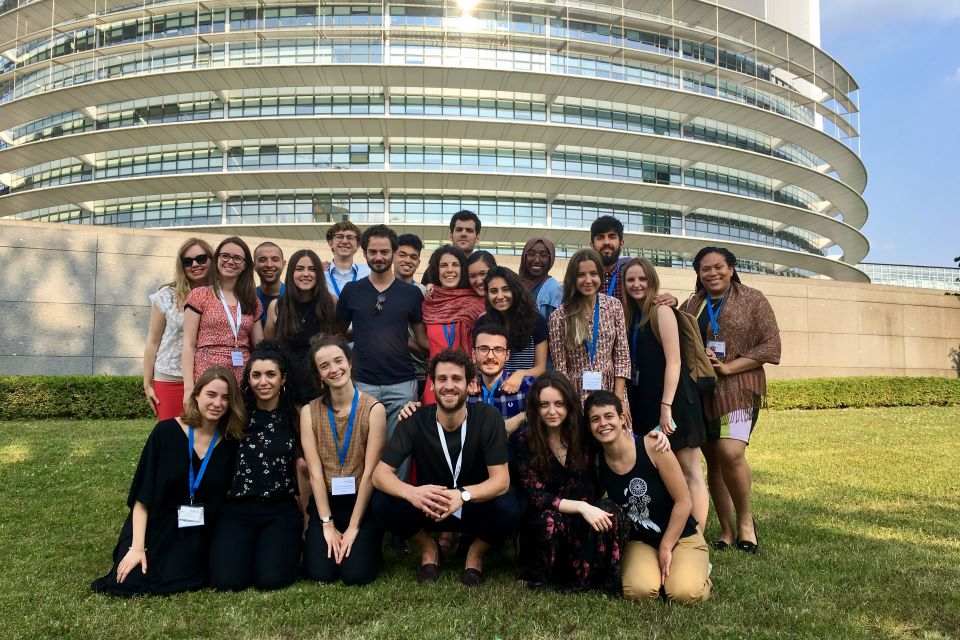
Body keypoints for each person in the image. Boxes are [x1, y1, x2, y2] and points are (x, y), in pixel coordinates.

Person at [372, 349, 521, 586]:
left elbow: (501, 480)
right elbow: (380, 475)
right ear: (431, 385)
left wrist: (462, 495)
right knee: (381, 501)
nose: (448, 386)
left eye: (456, 379)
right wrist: (413, 493)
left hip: (473, 507)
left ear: (469, 384)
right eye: (442, 379)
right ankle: (429, 548)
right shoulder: (415, 419)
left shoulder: (488, 417)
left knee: (511, 506)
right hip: (429, 506)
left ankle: (475, 554)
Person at [91, 367, 243, 596]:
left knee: (206, 577)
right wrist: (137, 547)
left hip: (199, 531)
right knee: (128, 582)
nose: (218, 403)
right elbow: (142, 497)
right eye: (211, 395)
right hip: (157, 524)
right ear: (197, 395)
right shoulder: (166, 432)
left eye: (225, 398)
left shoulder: (231, 443)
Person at [679, 247, 781, 554]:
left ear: (732, 267)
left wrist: (731, 366)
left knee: (730, 452)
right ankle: (725, 529)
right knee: (713, 460)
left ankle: (746, 523)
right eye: (705, 269)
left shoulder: (753, 299)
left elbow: (771, 345)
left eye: (718, 267)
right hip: (704, 390)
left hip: (739, 386)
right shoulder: (693, 304)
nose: (712, 273)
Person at [588, 391, 711, 604]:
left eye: (609, 416)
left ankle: (700, 571)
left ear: (622, 418)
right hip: (641, 540)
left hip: (681, 535)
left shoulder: (654, 447)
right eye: (595, 419)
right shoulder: (597, 462)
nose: (603, 424)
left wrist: (665, 547)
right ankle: (663, 574)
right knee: (639, 592)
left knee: (684, 593)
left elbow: (684, 502)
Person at [512, 373, 625, 592]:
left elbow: (619, 440)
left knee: (610, 510)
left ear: (569, 405)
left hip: (586, 515)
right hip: (547, 517)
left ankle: (599, 578)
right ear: (535, 407)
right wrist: (581, 507)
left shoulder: (585, 434)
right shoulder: (524, 439)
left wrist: (655, 437)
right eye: (544, 404)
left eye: (559, 404)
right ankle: (551, 577)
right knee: (548, 520)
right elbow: (536, 496)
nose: (552, 411)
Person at [620, 257, 709, 531]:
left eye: (642, 279)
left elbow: (675, 361)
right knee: (662, 467)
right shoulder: (631, 315)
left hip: (674, 401)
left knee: (689, 468)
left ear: (652, 281)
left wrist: (666, 405)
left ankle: (697, 535)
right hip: (645, 401)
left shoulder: (661, 311)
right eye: (630, 280)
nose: (636, 284)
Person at [336, 225, 427, 479]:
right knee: (362, 450)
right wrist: (367, 333)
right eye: (373, 251)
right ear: (364, 253)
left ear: (394, 253)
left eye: (384, 251)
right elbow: (337, 334)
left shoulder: (411, 294)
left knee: (399, 453)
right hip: (362, 383)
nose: (378, 257)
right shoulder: (352, 291)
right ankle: (364, 509)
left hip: (402, 385)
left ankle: (394, 507)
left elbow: (421, 341)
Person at [209, 344, 302, 591]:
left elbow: (305, 468)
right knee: (228, 582)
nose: (263, 381)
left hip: (279, 508)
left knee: (271, 580)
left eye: (270, 374)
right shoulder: (235, 416)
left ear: (283, 378)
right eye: (256, 375)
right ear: (248, 379)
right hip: (237, 508)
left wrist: (308, 518)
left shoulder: (297, 417)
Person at [301, 335, 387, 585]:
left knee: (356, 575)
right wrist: (327, 524)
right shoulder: (309, 412)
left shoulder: (374, 409)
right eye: (324, 365)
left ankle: (367, 544)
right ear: (319, 374)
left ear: (349, 363)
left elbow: (371, 472)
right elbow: (315, 473)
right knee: (321, 573)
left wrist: (352, 527)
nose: (334, 369)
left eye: (338, 361)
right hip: (326, 502)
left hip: (361, 502)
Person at [182, 236, 264, 405]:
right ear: (217, 259)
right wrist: (188, 388)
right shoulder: (200, 295)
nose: (230, 261)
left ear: (245, 265)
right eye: (225, 256)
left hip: (242, 377)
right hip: (208, 375)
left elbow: (259, 345)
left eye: (237, 258)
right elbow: (188, 344)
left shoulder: (252, 300)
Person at [548, 249, 630, 410]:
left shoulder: (614, 306)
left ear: (600, 275)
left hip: (612, 390)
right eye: (581, 275)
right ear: (573, 278)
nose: (588, 280)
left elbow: (622, 357)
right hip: (576, 393)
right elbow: (561, 368)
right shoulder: (559, 316)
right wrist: (570, 403)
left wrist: (619, 398)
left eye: (593, 274)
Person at [143, 237, 214, 421]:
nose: (195, 264)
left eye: (201, 258)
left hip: (208, 376)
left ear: (211, 260)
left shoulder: (222, 295)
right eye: (188, 261)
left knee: (204, 439)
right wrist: (147, 382)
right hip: (170, 376)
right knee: (170, 436)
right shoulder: (166, 296)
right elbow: (152, 341)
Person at [264, 249, 339, 406]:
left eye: (312, 269)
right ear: (291, 273)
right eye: (300, 269)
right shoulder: (277, 306)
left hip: (321, 386)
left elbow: (338, 339)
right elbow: (269, 347)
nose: (306, 274)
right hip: (287, 388)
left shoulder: (330, 302)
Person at [420, 244, 485, 405]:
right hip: (435, 382)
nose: (450, 270)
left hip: (470, 381)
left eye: (455, 264)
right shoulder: (429, 302)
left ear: (463, 269)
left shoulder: (477, 302)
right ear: (436, 269)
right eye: (444, 265)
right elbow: (423, 341)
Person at [481, 267, 547, 390]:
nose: (500, 296)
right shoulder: (482, 323)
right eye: (494, 291)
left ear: (515, 290)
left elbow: (541, 368)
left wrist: (520, 374)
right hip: (492, 391)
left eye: (506, 289)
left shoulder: (537, 321)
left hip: (526, 391)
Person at [395, 233, 428, 397]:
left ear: (418, 262)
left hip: (420, 371)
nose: (408, 260)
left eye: (413, 257)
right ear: (393, 255)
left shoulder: (425, 293)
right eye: (402, 255)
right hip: (389, 370)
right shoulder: (378, 289)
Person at [421, 210, 482, 285]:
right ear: (450, 235)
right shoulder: (434, 270)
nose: (463, 234)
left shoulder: (483, 268)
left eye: (469, 230)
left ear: (477, 238)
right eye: (459, 230)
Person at [518, 237, 563, 321]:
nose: (537, 260)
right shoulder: (514, 284)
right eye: (531, 254)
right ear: (524, 256)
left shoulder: (555, 290)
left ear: (550, 259)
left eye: (543, 255)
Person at [325, 221, 370, 299]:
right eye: (339, 236)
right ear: (330, 243)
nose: (345, 241)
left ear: (358, 244)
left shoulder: (369, 273)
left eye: (350, 237)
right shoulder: (320, 275)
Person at [590, 216, 632, 298]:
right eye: (600, 237)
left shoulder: (631, 274)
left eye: (612, 237)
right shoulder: (583, 277)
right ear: (592, 245)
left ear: (621, 243)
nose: (606, 242)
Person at [253, 242, 286, 327]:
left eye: (275, 259)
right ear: (254, 266)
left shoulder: (294, 296)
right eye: (262, 260)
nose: (269, 265)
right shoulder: (248, 298)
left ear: (283, 264)